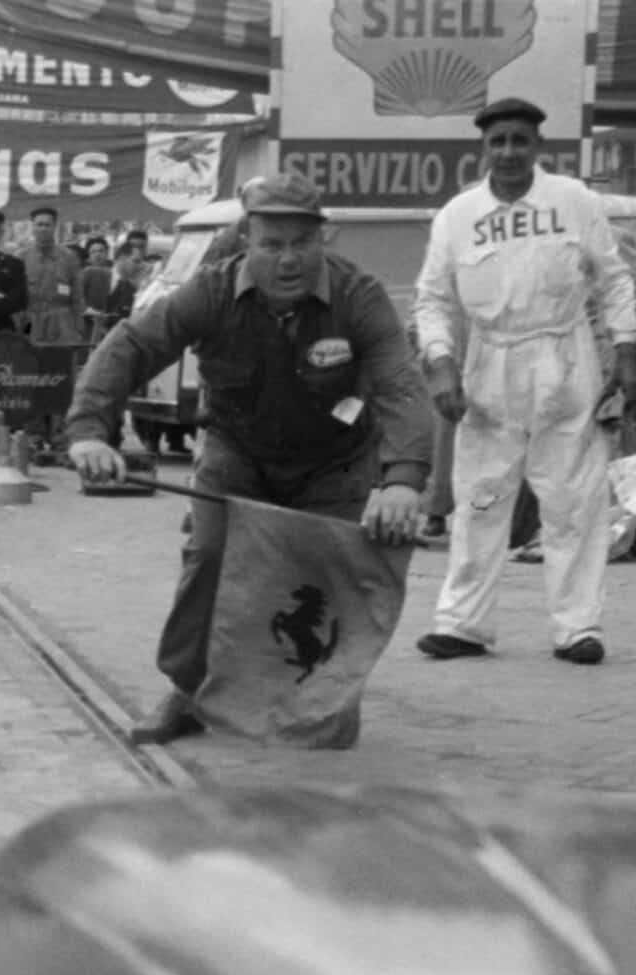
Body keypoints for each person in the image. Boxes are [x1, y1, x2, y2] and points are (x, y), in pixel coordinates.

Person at [65, 172, 432, 744]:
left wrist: (403, 480)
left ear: (322, 238)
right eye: (272, 244)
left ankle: (323, 698)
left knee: (331, 580)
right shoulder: (208, 292)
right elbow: (132, 344)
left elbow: (400, 386)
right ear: (246, 241)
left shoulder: (360, 297)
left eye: (301, 243)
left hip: (335, 463)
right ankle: (187, 692)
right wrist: (90, 431)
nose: (288, 259)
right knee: (210, 557)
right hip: (238, 453)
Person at [412, 97, 636, 666]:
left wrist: (627, 351)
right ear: (484, 148)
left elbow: (614, 280)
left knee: (572, 499)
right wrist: (440, 363)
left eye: (520, 140)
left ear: (538, 146)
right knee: (480, 497)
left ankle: (577, 628)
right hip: (489, 362)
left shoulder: (574, 201)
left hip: (564, 357)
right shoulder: (458, 215)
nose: (509, 152)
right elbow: (433, 298)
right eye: (499, 141)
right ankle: (463, 624)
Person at [20, 205, 87, 345]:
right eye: (39, 224)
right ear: (33, 227)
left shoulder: (69, 257)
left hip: (62, 321)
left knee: (61, 355)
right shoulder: (22, 257)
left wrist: (78, 325)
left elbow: (77, 294)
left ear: (54, 227)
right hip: (30, 320)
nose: (43, 229)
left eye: (47, 225)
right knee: (29, 352)